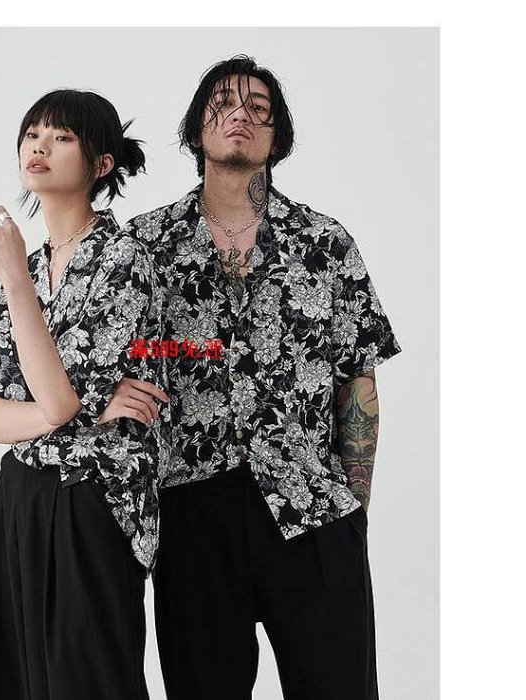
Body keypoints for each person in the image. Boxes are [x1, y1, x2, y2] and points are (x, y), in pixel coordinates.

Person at [117, 55, 403, 699]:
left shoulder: (325, 243)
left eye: (259, 109)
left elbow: (357, 382)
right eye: (222, 104)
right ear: (196, 129)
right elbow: (108, 357)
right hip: (191, 511)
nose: (240, 115)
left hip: (311, 505)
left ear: (278, 138)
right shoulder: (144, 246)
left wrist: (352, 514)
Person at [0, 88, 169, 700]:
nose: (40, 146)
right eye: (33, 133)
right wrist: (66, 411)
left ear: (101, 164)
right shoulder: (28, 266)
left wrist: (14, 282)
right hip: (17, 498)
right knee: (16, 680)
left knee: (91, 682)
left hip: (92, 500)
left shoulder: (123, 258)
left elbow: (56, 402)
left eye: (62, 137)